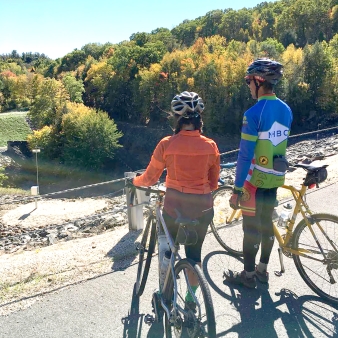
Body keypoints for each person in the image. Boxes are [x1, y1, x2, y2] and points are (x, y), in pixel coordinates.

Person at [132, 91, 220, 305]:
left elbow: (150, 178)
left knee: (167, 248)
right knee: (194, 253)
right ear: (199, 119)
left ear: (177, 119)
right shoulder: (210, 146)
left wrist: (135, 182)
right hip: (202, 206)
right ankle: (191, 299)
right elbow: (214, 183)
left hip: (175, 204)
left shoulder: (167, 144)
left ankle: (165, 293)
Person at [225, 58, 293, 289]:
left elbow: (244, 156)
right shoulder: (286, 109)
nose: (247, 86)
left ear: (258, 81)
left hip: (254, 181)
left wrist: (236, 189)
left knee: (251, 229)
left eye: (248, 81)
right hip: (275, 177)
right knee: (266, 225)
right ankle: (263, 270)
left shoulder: (253, 113)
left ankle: (249, 276)